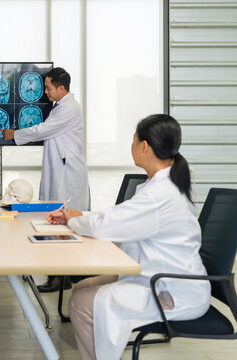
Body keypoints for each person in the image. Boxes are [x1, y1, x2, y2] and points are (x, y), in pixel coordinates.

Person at [46, 114, 211, 360]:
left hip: (170, 290)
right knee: (82, 287)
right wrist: (78, 216)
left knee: (80, 302)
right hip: (159, 275)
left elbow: (110, 224)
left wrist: (73, 219)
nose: (131, 145)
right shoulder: (163, 187)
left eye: (133, 140)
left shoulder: (159, 195)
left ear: (144, 146)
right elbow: (119, 217)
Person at [2, 67, 90, 292]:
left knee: (61, 220)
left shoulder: (68, 108)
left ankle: (61, 276)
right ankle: (60, 274)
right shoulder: (61, 106)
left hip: (66, 172)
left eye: (49, 88)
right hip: (60, 167)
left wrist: (15, 134)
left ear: (62, 88)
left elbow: (43, 129)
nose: (46, 93)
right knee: (56, 218)